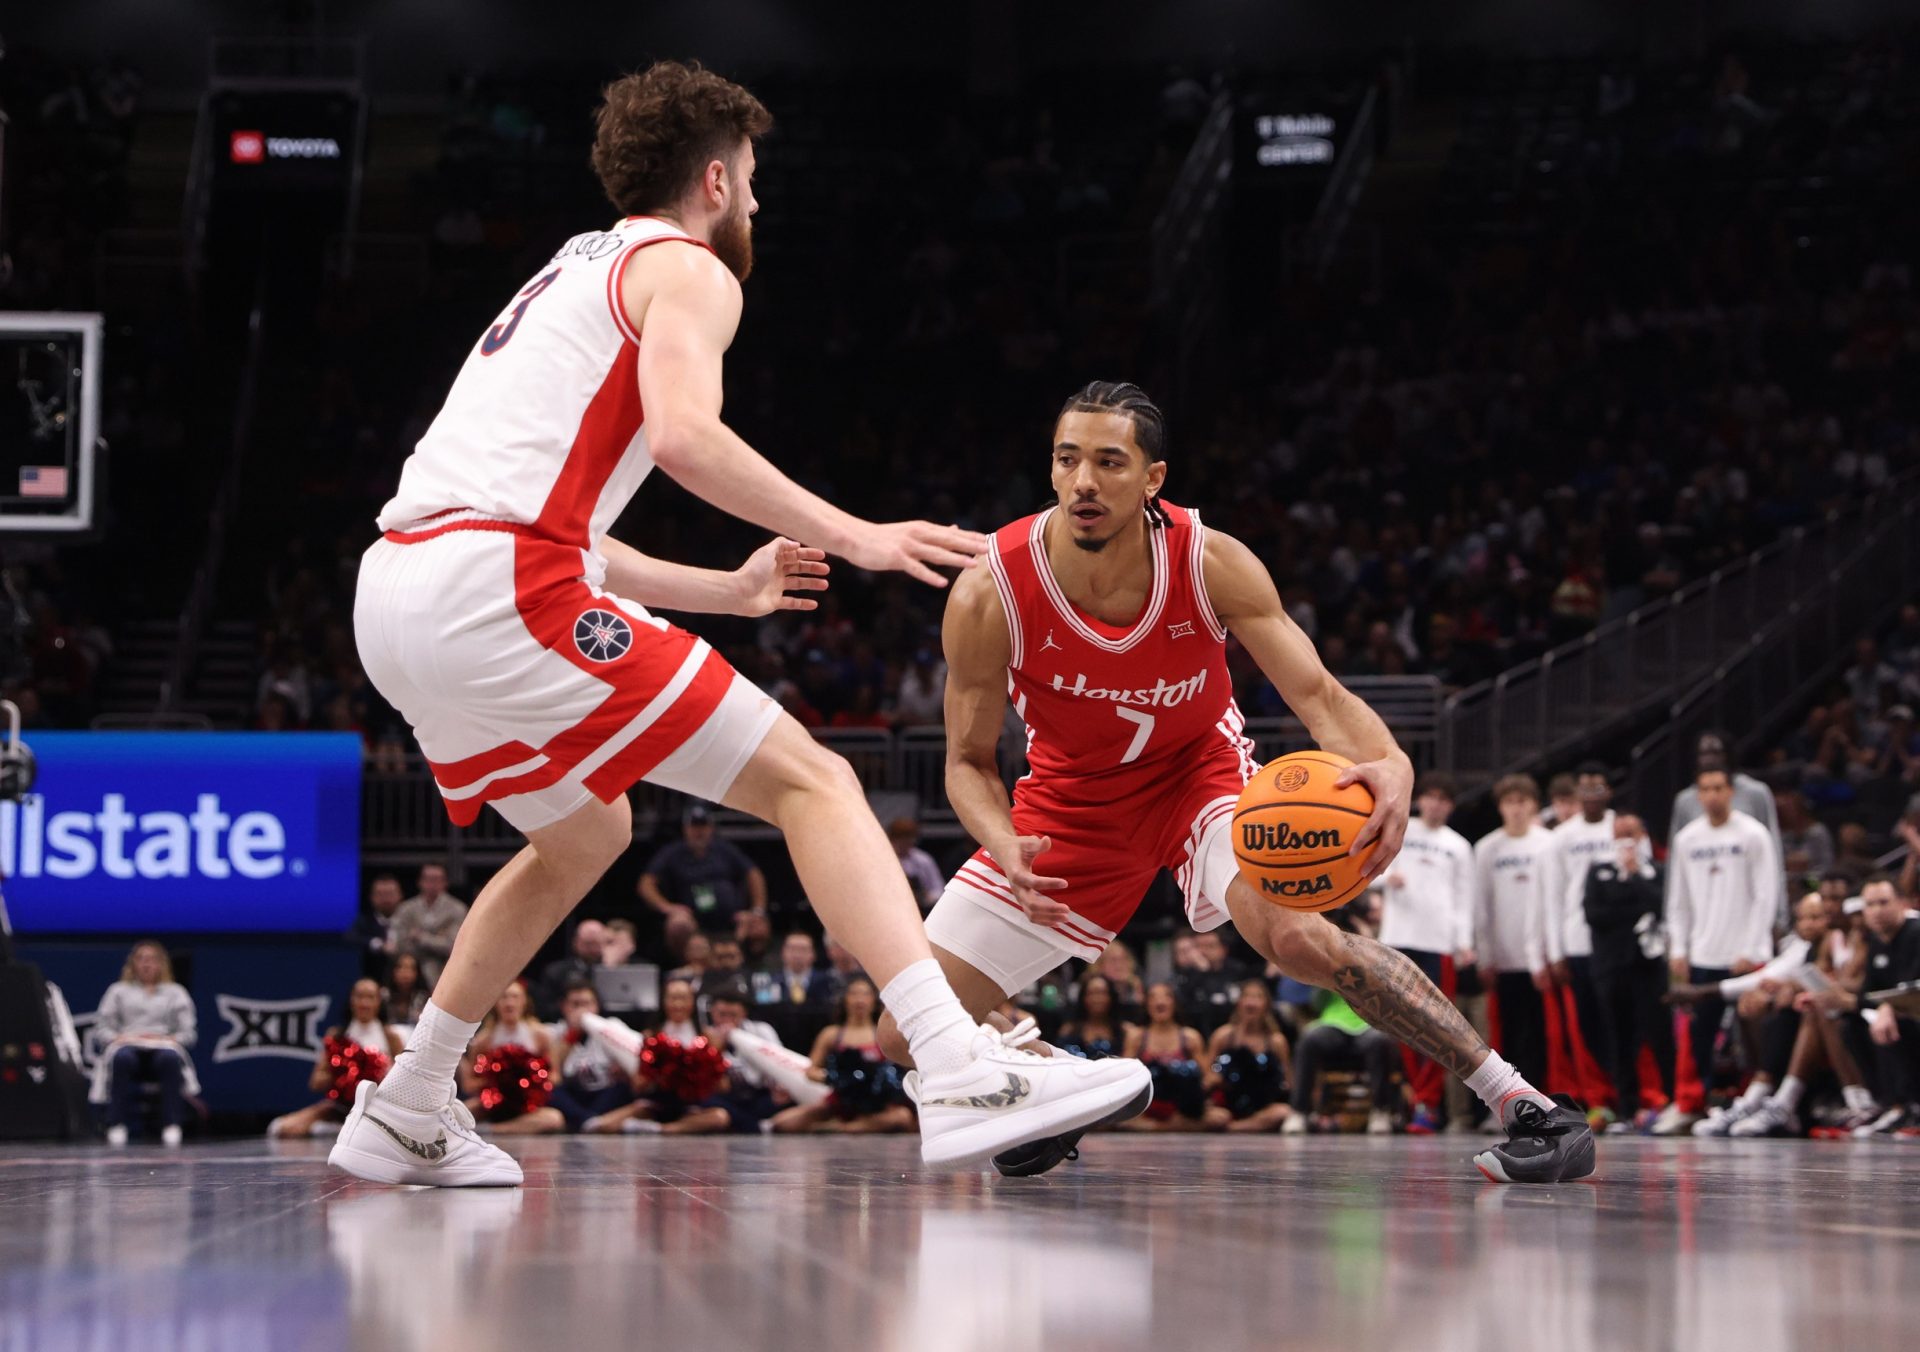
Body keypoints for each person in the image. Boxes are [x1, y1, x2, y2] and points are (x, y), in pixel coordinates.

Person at [333, 61, 1148, 1186]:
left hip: (402, 587)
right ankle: (956, 1063)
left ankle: (410, 1097)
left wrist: (725, 589)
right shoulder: (691, 268)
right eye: (754, 182)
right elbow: (682, 438)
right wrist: (858, 533)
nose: (757, 205)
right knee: (809, 777)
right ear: (714, 179)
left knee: (585, 836)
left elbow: (556, 524)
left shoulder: (571, 270)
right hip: (498, 584)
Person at [880, 380, 1593, 1184]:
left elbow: (1317, 694)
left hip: (1201, 778)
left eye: (1109, 463)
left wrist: (1391, 760)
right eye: (1067, 459)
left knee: (1295, 937)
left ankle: (1525, 1104)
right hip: (1069, 806)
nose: (1083, 482)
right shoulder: (990, 592)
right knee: (903, 1032)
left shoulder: (1208, 559)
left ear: (1153, 479)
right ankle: (1055, 1084)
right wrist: (1002, 840)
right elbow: (967, 765)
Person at [1667, 767, 1780, 1112]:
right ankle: (1693, 1103)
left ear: (1731, 791)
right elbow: (1679, 898)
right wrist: (1679, 948)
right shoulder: (1687, 839)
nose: (1713, 795)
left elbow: (1766, 893)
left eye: (1719, 788)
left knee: (1754, 1033)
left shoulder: (1753, 834)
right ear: (1698, 795)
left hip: (1747, 954)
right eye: (1706, 789)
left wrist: (1751, 947)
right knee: (1699, 1037)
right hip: (1703, 952)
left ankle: (1758, 1100)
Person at [1376, 773, 1473, 1132]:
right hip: (1399, 938)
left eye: (1443, 798)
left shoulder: (1459, 846)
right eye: (1430, 797)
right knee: (1398, 1022)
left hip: (1439, 943)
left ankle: (1427, 1103)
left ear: (1450, 805)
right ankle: (1405, 1098)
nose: (1435, 804)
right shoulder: (1401, 829)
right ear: (1419, 800)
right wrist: (1387, 879)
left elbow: (1465, 899)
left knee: (1436, 1024)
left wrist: (1464, 942)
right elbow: (1364, 870)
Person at [1579, 815, 1681, 1133]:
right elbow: (1595, 915)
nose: (1626, 841)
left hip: (1648, 966)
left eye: (1631, 834)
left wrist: (1635, 877)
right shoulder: (1599, 871)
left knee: (1659, 1034)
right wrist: (1634, 908)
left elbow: (1662, 905)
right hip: (1611, 966)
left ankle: (1672, 1101)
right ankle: (1627, 1107)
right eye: (1619, 835)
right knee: (1618, 1037)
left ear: (1644, 835)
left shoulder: (1657, 871)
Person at [1543, 761, 1632, 1115]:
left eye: (1598, 788)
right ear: (1577, 793)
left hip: (1618, 946)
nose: (1592, 795)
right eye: (1585, 788)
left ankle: (1630, 1098)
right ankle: (1598, 1097)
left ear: (1609, 792)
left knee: (1622, 1022)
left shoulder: (1623, 828)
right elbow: (1553, 895)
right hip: (1576, 943)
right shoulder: (1562, 836)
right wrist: (1555, 951)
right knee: (1587, 1027)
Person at [1473, 775, 1553, 1095]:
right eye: (1510, 802)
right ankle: (1512, 1098)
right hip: (1504, 958)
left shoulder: (1548, 843)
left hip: (1542, 958)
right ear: (1501, 807)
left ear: (1534, 805)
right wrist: (1485, 956)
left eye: (1523, 802)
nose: (1517, 809)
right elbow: (1482, 906)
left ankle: (1547, 1094)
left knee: (1544, 1032)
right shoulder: (1487, 847)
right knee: (1509, 1031)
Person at [1668, 731, 1787, 927]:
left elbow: (1773, 854)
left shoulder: (1755, 793)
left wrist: (1778, 915)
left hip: (1747, 898)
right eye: (1703, 753)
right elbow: (1675, 866)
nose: (1709, 758)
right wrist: (1672, 924)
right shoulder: (1685, 801)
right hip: (1703, 903)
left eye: (1716, 752)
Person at [769, 976, 915, 1133]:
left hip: (878, 1105)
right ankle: (848, 1126)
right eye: (854, 994)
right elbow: (811, 1070)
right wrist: (835, 1078)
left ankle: (839, 1127)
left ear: (874, 1000)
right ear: (845, 999)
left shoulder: (884, 1034)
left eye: (865, 994)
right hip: (840, 1100)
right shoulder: (831, 1034)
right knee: (782, 1123)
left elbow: (906, 1067)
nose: (859, 1000)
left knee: (902, 1117)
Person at [270, 979, 407, 1140]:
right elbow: (315, 1082)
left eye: (370, 997)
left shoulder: (391, 1036)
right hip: (341, 1108)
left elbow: (404, 1083)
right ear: (351, 1000)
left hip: (379, 1110)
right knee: (283, 1128)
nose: (364, 1003)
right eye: (359, 997)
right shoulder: (337, 1035)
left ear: (379, 1001)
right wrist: (344, 1072)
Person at [93, 940, 199, 1147]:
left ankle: (171, 1124)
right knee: (122, 1058)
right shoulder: (117, 991)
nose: (146, 965)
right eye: (141, 959)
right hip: (128, 1044)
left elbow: (188, 1033)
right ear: (133, 964)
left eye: (151, 960)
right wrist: (117, 1038)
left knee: (169, 1059)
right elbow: (102, 1029)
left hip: (162, 1047)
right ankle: (117, 1123)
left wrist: (172, 1039)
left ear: (161, 964)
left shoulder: (176, 993)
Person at [494, 980, 633, 1136]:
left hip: (603, 1091)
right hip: (572, 1093)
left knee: (623, 1088)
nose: (581, 1010)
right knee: (551, 1090)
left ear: (597, 1006)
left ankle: (587, 1122)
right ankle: (591, 1122)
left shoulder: (611, 1027)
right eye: (575, 1004)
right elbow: (555, 1072)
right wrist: (572, 1035)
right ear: (564, 1007)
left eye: (587, 1004)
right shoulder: (552, 1032)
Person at [638, 803, 767, 938]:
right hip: (692, 918)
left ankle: (750, 958)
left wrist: (757, 910)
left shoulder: (724, 849)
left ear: (711, 828)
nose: (699, 831)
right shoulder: (672, 853)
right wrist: (667, 907)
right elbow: (645, 883)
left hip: (732, 917)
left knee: (757, 925)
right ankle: (687, 959)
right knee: (678, 925)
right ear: (685, 828)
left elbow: (753, 873)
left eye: (703, 826)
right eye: (694, 826)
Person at [459, 980, 560, 1128]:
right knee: (461, 1113)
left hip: (529, 1104)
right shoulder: (483, 1041)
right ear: (495, 1002)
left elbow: (556, 1076)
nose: (509, 1003)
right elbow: (468, 1084)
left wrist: (531, 1081)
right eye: (504, 997)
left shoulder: (541, 1035)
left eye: (515, 997)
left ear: (524, 1001)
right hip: (493, 1102)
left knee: (554, 1119)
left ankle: (494, 1130)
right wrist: (497, 1081)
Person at [1120, 984, 1216, 1132]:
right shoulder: (1137, 1037)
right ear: (1147, 1005)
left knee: (1219, 1117)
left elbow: (1208, 1077)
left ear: (1174, 1004)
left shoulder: (1190, 1037)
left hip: (1180, 1108)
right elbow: (1122, 1075)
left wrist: (1195, 1093)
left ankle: (1168, 1125)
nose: (1160, 1002)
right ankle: (1165, 1127)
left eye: (1166, 996)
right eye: (1153, 997)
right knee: (1117, 1119)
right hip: (1147, 1105)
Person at [1205, 981, 1293, 1133]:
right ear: (1239, 1002)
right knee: (1215, 1116)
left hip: (1262, 1107)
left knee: (1283, 1112)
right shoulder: (1223, 1036)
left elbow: (1288, 1080)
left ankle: (1236, 1128)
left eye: (1258, 997)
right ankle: (1238, 1125)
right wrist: (1217, 1078)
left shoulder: (1276, 1041)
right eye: (1247, 996)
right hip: (1228, 1104)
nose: (1251, 1002)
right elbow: (1206, 1076)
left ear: (1266, 1005)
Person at [389, 864, 469, 988]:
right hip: (411, 970)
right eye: (428, 879)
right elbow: (398, 945)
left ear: (445, 882)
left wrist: (420, 938)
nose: (432, 884)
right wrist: (438, 939)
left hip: (445, 971)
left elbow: (453, 947)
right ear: (420, 882)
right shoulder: (405, 909)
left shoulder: (458, 909)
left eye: (437, 879)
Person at [537, 918, 608, 1018]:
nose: (592, 949)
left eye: (596, 943)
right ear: (576, 942)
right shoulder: (555, 971)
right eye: (588, 944)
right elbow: (545, 1007)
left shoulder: (615, 968)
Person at [1057, 974, 1134, 1060]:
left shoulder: (1126, 1031)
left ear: (1111, 996)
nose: (1097, 999)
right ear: (1083, 997)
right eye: (1091, 993)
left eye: (1102, 993)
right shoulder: (1069, 1030)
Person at [352, 874, 406, 978]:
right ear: (372, 897)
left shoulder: (409, 921)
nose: (386, 899)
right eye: (380, 894)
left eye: (390, 894)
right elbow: (350, 937)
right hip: (372, 976)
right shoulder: (364, 922)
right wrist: (378, 944)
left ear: (400, 895)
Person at [888, 817, 945, 912]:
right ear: (892, 839)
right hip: (892, 906)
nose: (905, 843)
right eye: (901, 839)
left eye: (909, 838)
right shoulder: (886, 859)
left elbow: (939, 889)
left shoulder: (923, 859)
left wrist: (928, 897)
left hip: (921, 908)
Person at [382, 952, 431, 1027]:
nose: (406, 973)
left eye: (411, 968)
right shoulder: (383, 996)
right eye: (401, 967)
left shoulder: (425, 998)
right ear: (393, 971)